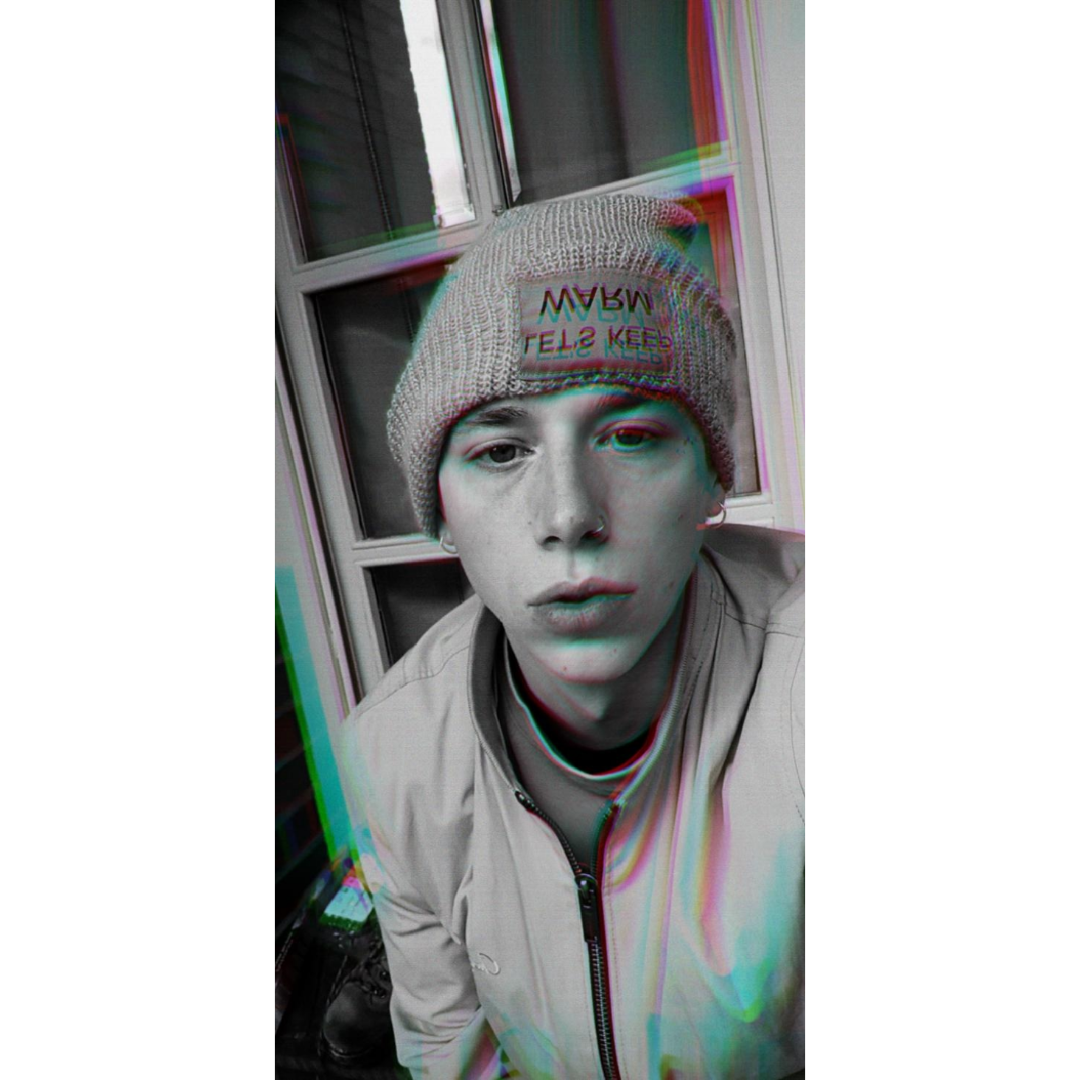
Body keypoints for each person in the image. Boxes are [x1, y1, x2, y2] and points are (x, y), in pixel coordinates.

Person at [343, 193, 804, 1079]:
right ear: (439, 512)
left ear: (713, 480)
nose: (568, 515)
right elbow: (449, 1049)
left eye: (629, 436)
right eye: (500, 451)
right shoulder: (396, 753)